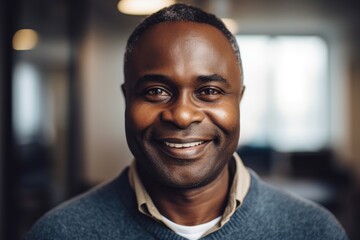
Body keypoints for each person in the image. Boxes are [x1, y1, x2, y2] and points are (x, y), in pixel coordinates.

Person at [25, 3, 348, 240]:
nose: (181, 115)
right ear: (127, 98)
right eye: (155, 91)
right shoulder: (59, 233)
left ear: (239, 100)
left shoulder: (312, 231)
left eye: (208, 91)